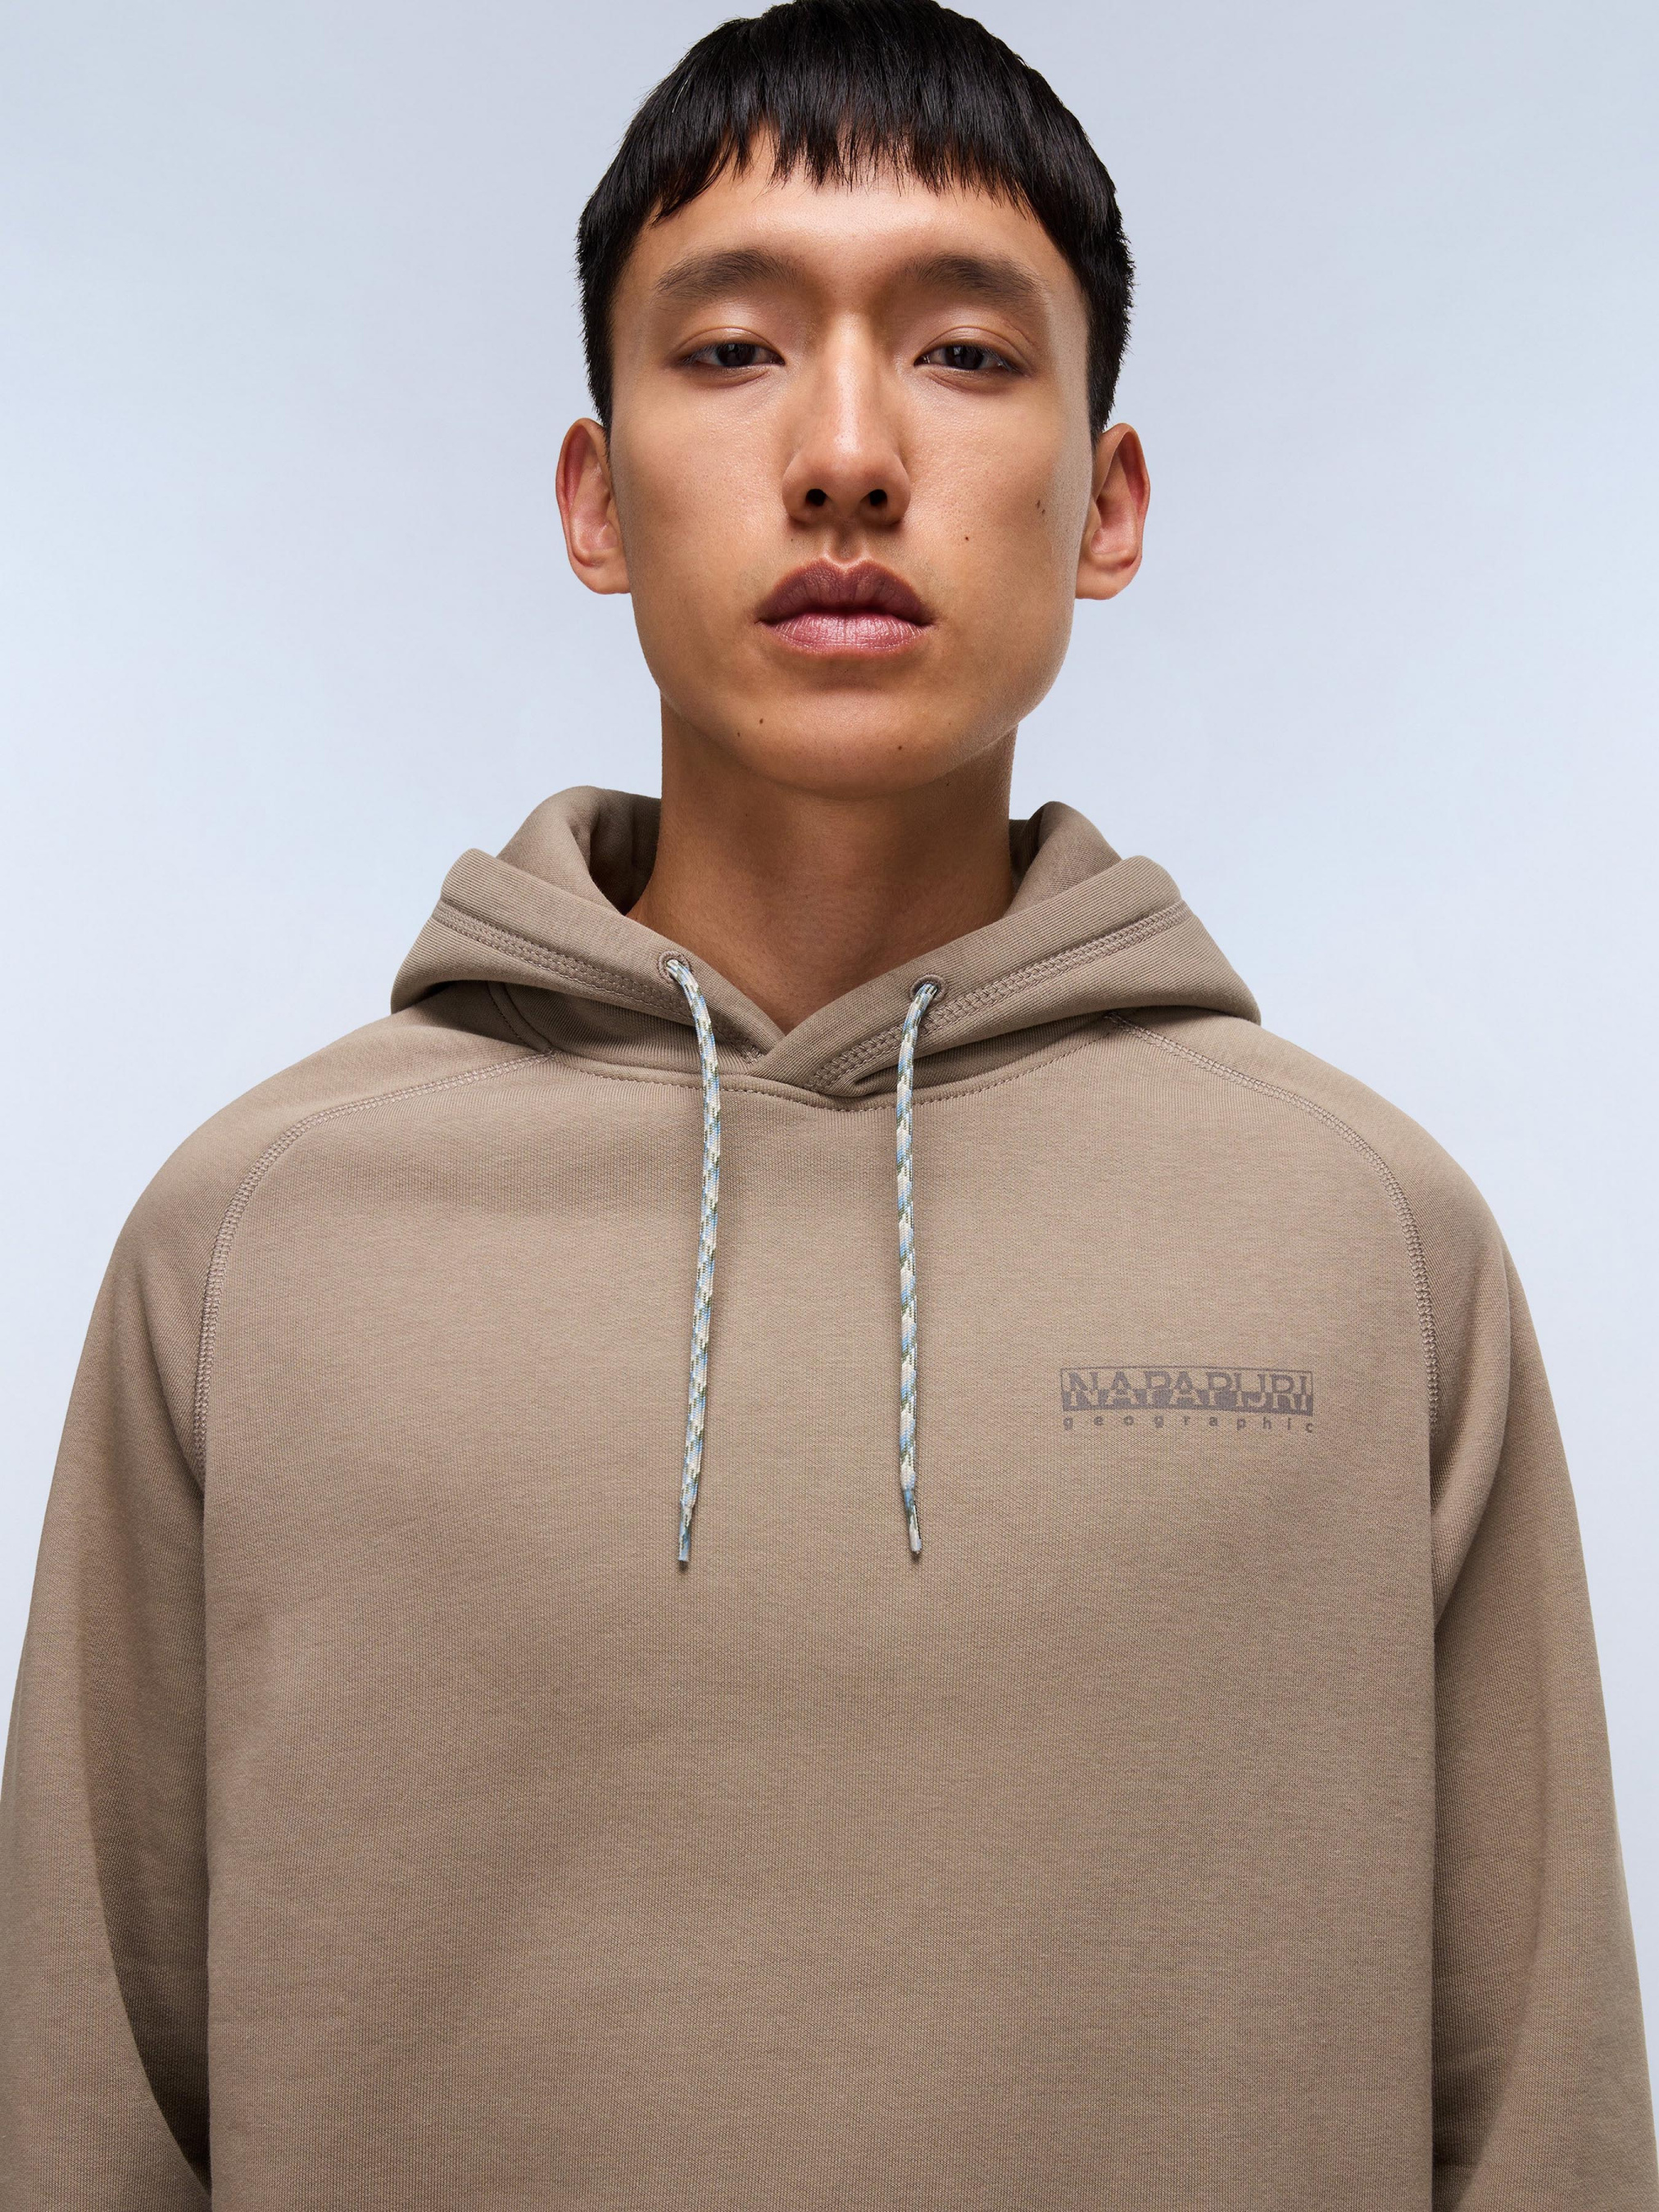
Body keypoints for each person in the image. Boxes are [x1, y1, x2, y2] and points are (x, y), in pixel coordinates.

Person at [2, 0, 1654, 2202]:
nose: (849, 453)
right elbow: (81, 2111)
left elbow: (1543, 2121)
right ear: (594, 497)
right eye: (731, 350)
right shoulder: (253, 1241)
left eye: (964, 351)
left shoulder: (1367, 1243)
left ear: (1107, 500)